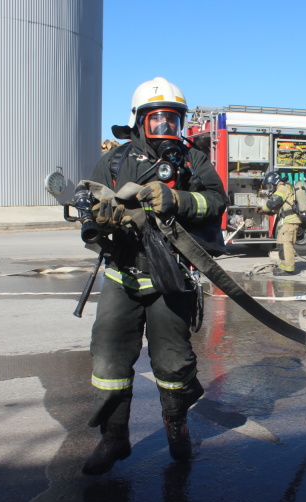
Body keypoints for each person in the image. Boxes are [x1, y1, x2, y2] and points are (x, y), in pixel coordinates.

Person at [81, 77, 228, 474]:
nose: (167, 131)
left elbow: (217, 201)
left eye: (174, 122)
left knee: (174, 364)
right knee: (108, 362)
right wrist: (100, 216)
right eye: (158, 121)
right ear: (138, 121)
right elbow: (89, 212)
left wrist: (177, 198)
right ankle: (114, 439)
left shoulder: (192, 161)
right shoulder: (114, 161)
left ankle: (176, 426)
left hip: (171, 279)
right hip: (122, 278)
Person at [260, 172, 300, 276]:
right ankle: (284, 265)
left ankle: (288, 269)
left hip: (289, 221)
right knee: (282, 244)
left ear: (274, 182)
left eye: (269, 185)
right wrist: (270, 212)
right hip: (287, 221)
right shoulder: (283, 187)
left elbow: (273, 202)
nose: (269, 188)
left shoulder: (282, 188)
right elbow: (280, 207)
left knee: (286, 244)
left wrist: (263, 209)